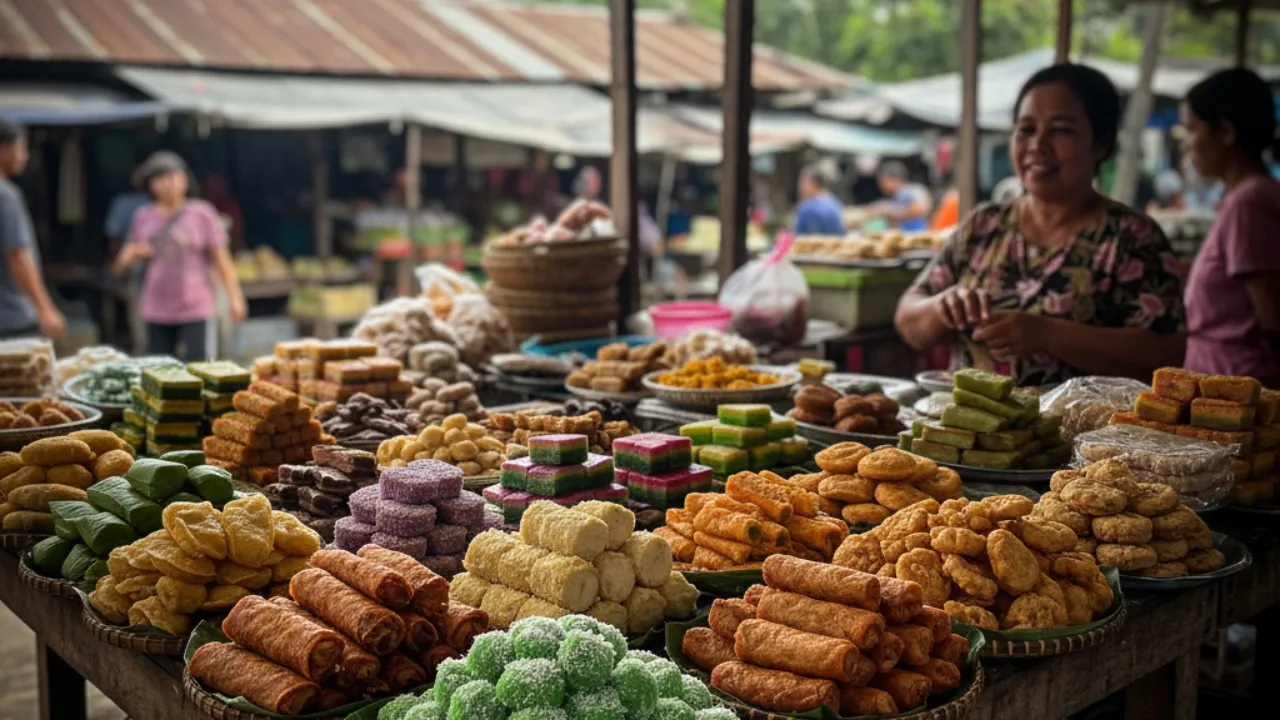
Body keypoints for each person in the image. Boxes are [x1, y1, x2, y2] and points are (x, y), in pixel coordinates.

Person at [894, 64, 1186, 387]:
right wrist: (941, 307)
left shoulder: (1131, 238)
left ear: (1100, 144)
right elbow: (908, 320)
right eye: (1026, 129)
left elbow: (1167, 353)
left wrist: (1048, 334)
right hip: (965, 433)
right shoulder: (984, 225)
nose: (1038, 145)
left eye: (1060, 130)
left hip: (1082, 436)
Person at [1179, 68, 1280, 384]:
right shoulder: (1244, 198)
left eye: (1192, 130)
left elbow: (1273, 316)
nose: (1187, 146)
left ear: (1225, 133)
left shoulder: (1249, 203)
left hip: (1238, 387)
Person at [112, 151, 246, 361]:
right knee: (160, 373)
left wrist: (235, 298)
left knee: (199, 371)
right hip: (156, 308)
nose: (168, 183)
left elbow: (222, 259)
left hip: (196, 307)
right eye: (160, 178)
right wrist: (129, 256)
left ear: (185, 179)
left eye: (174, 176)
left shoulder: (202, 213)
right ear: (151, 185)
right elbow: (120, 266)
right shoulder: (143, 216)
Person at [0, 119, 65, 341]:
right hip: (12, 317)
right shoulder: (5, 196)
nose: (25, 157)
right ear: (4, 149)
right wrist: (45, 309)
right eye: (21, 148)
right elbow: (16, 255)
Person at [870, 161, 933, 231]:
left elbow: (921, 208)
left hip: (917, 233)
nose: (880, 185)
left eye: (883, 181)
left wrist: (891, 212)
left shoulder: (913, 190)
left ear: (893, 179)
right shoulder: (896, 195)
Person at [792, 165, 844, 236]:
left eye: (803, 182)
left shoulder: (808, 208)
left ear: (813, 184)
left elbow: (799, 236)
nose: (800, 187)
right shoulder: (835, 202)